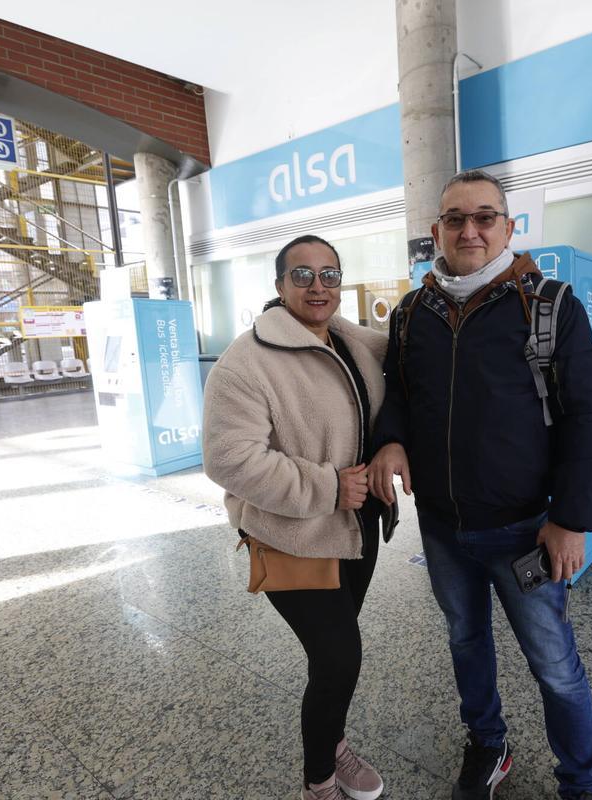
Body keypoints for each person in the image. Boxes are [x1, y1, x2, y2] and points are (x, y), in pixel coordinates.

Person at [369, 170, 592, 800]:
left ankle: (582, 783)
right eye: (455, 218)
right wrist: (390, 438)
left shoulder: (551, 305)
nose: (469, 230)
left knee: (554, 665)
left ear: (507, 227)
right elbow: (397, 391)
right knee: (465, 639)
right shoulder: (411, 313)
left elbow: (588, 418)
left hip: (525, 527)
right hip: (444, 526)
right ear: (436, 231)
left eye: (484, 217)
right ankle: (489, 745)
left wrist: (572, 519)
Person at [203, 234, 393, 800]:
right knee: (339, 658)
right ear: (280, 285)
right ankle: (318, 782)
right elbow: (228, 458)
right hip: (292, 534)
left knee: (336, 654)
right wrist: (329, 486)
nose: (318, 286)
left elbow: (409, 364)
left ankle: (331, 742)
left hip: (356, 528)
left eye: (329, 274)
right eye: (303, 275)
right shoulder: (247, 361)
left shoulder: (348, 340)